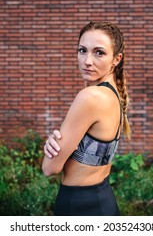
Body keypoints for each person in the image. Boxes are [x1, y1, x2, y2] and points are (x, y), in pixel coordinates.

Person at [42, 21, 131, 216]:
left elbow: (50, 168)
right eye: (82, 50)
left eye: (99, 52)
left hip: (80, 206)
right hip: (104, 198)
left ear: (116, 59)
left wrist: (52, 147)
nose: (87, 60)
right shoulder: (113, 94)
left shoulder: (90, 97)